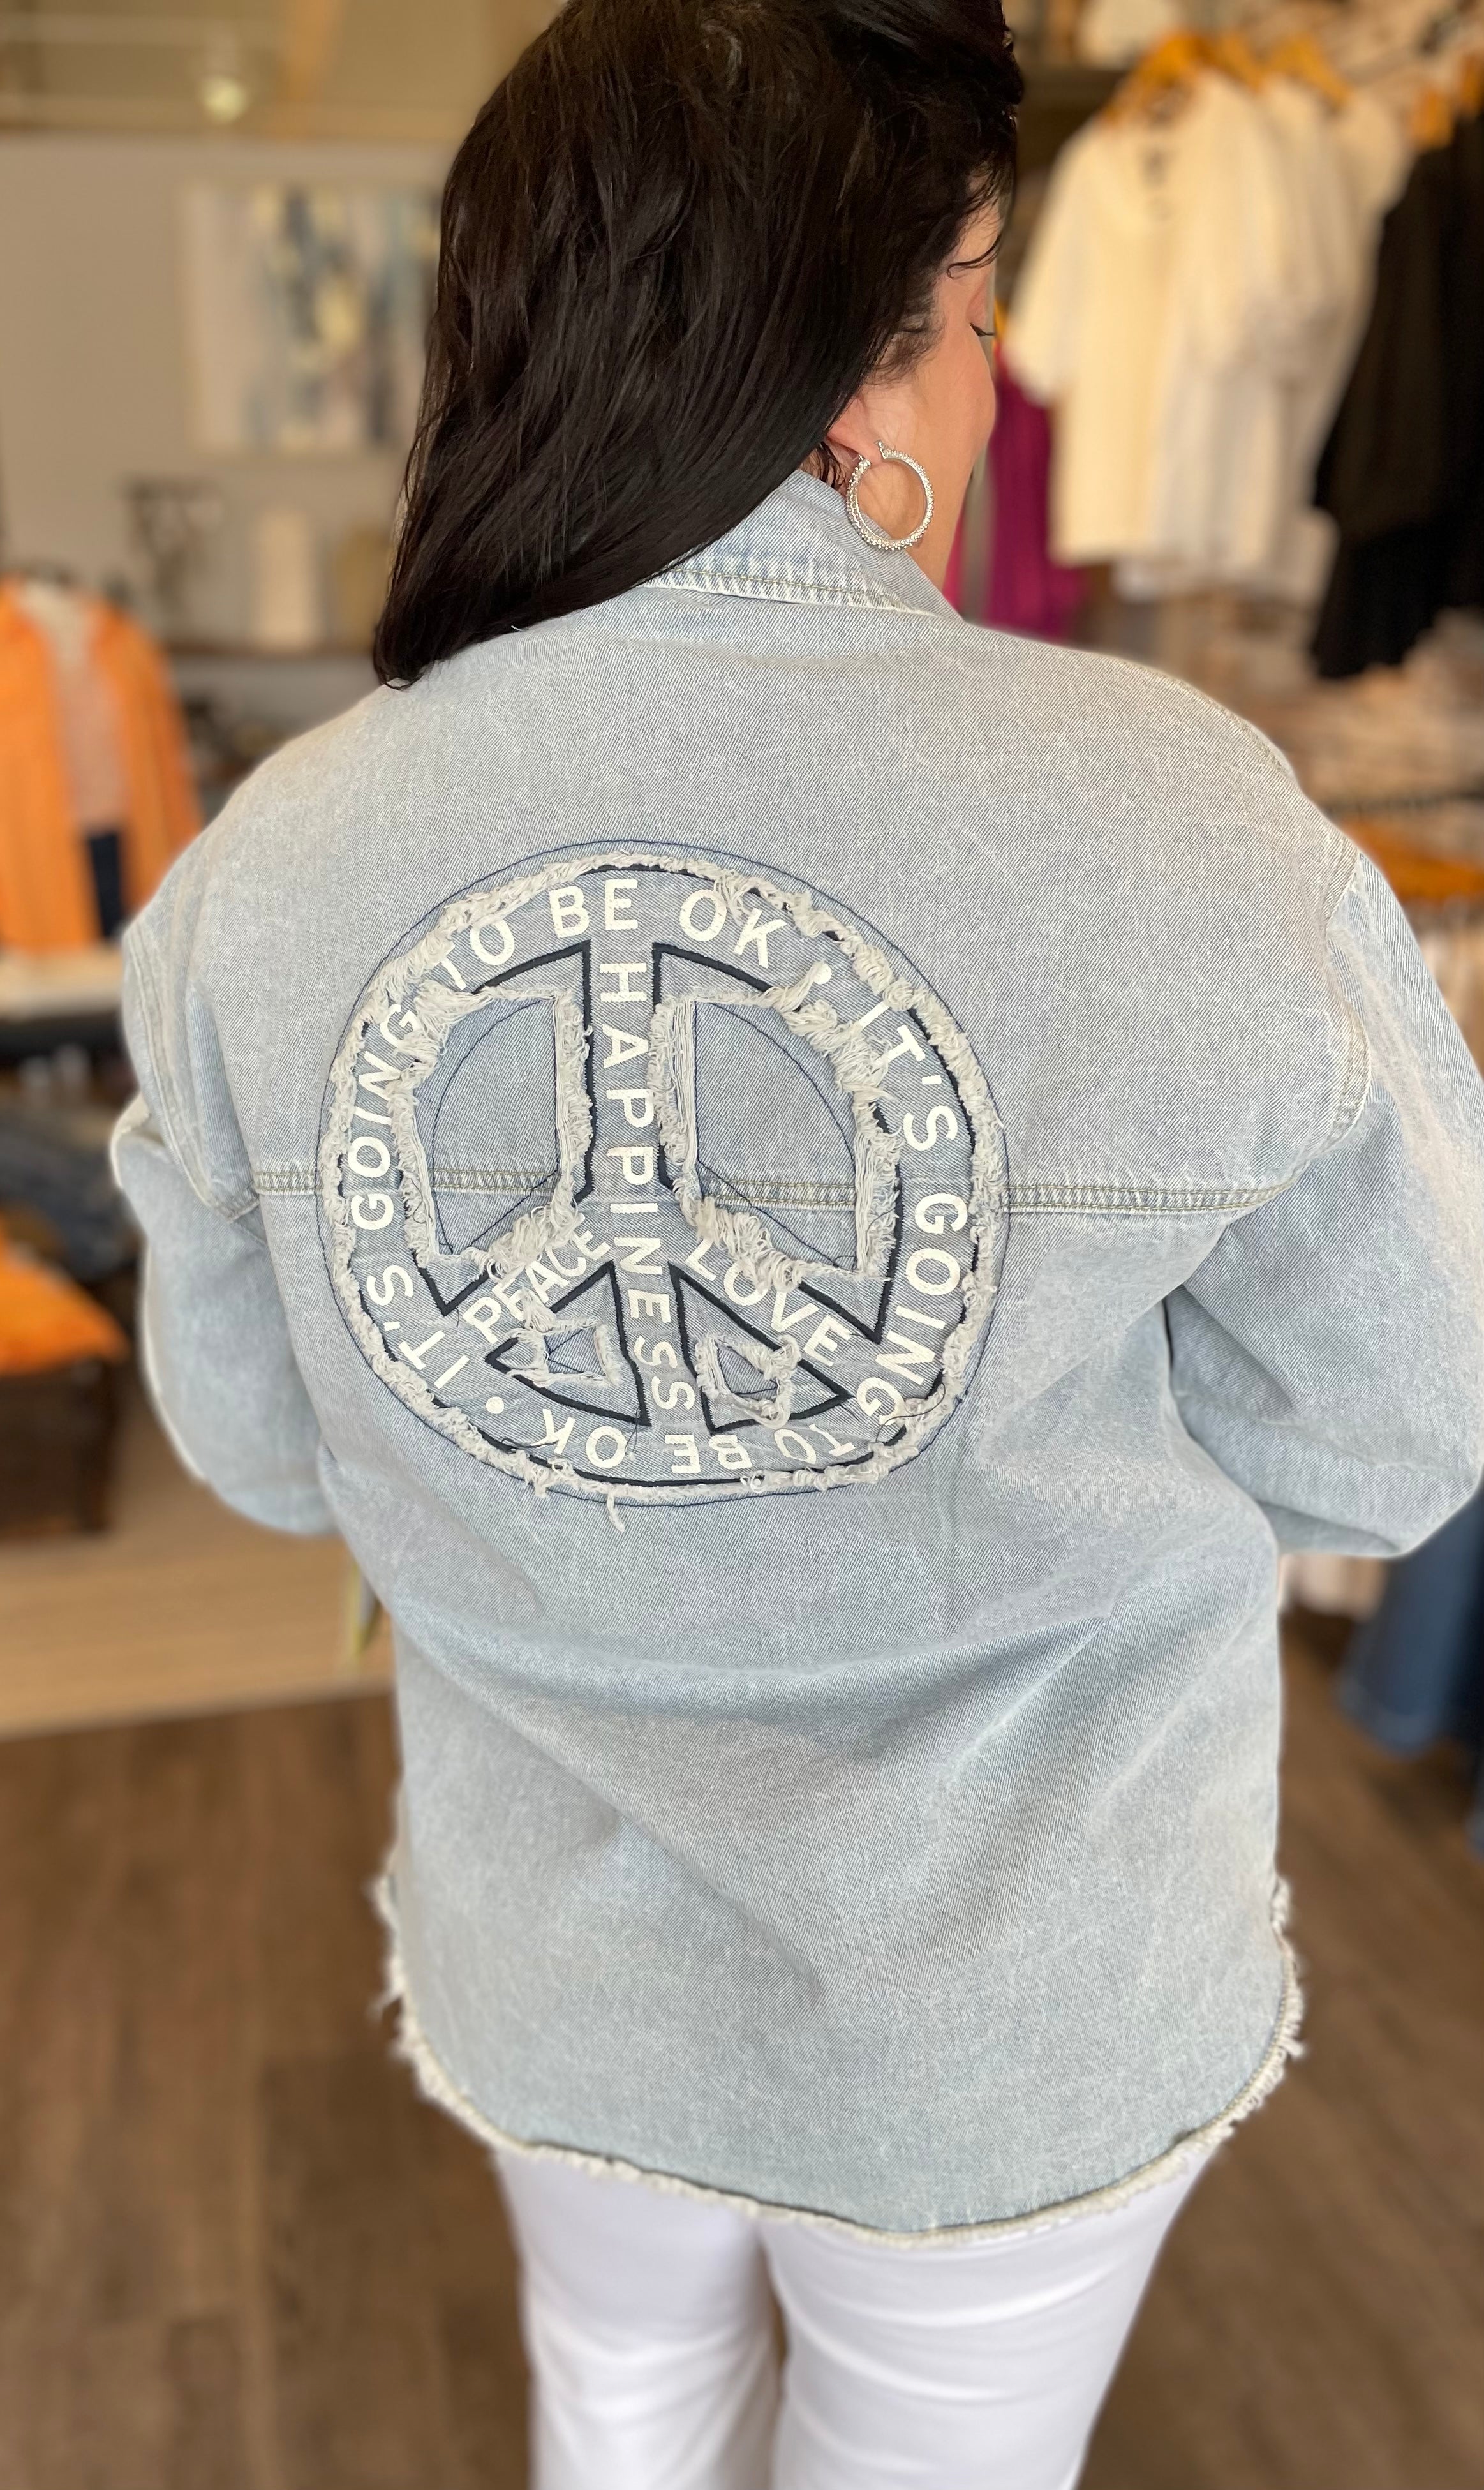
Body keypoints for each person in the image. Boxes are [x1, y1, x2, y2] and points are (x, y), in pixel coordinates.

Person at [112, 0, 1484, 2481]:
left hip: (558, 1951)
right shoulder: (1195, 829)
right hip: (1018, 2004)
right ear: (879, 358)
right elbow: (1390, 1440)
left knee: (618, 2403)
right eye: (982, 306)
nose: (997, 380)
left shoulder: (267, 866)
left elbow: (262, 1450)